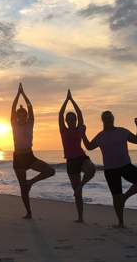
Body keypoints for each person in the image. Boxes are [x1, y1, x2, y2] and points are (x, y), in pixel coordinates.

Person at [83, 111, 137, 228]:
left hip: (125, 166)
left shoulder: (122, 131)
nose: (108, 118)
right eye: (105, 117)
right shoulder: (100, 136)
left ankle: (125, 197)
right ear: (103, 120)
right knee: (116, 196)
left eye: (110, 116)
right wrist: (83, 134)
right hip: (110, 169)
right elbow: (89, 147)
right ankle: (121, 223)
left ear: (113, 118)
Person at [11, 83, 55, 219]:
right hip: (18, 158)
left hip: (29, 156)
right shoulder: (14, 124)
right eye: (19, 115)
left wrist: (24, 94)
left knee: (50, 171)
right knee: (23, 188)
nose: (21, 117)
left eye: (23, 115)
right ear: (17, 116)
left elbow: (30, 108)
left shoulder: (30, 123)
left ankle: (31, 182)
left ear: (26, 116)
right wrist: (17, 95)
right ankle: (29, 212)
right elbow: (12, 108)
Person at [58, 89, 95, 223]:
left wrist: (72, 100)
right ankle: (80, 218)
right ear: (67, 121)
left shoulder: (80, 128)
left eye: (73, 118)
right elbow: (60, 114)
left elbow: (79, 113)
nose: (72, 120)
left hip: (81, 157)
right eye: (69, 119)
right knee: (78, 195)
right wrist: (66, 100)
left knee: (92, 169)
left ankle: (81, 185)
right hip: (71, 161)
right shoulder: (63, 130)